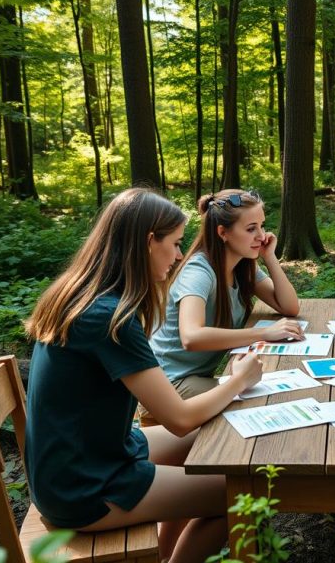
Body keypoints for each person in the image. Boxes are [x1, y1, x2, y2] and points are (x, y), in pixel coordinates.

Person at [24, 188, 263, 563]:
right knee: (246, 492)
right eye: (176, 243)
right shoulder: (108, 318)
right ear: (149, 242)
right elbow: (179, 419)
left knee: (217, 433)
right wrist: (238, 380)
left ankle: (168, 553)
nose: (181, 255)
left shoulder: (84, 295)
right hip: (86, 487)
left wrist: (230, 386)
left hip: (88, 456)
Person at [143, 189, 300, 424]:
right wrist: (264, 333)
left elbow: (289, 306)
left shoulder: (242, 265)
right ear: (223, 232)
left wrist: (269, 257)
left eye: (261, 225)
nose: (261, 235)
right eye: (250, 229)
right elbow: (191, 336)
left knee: (266, 396)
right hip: (170, 385)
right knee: (260, 407)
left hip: (197, 378)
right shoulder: (199, 271)